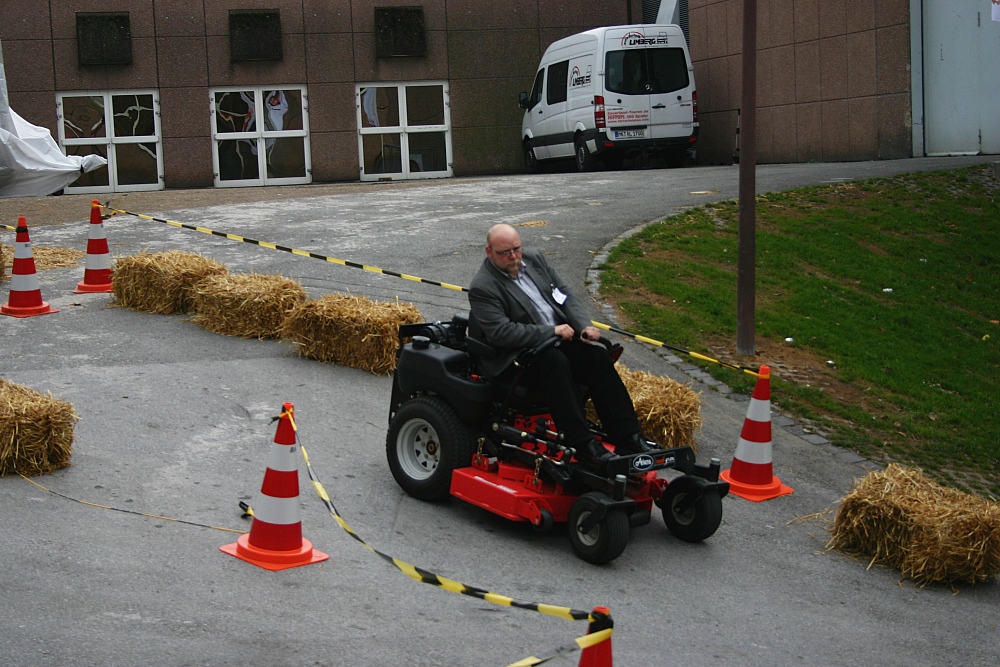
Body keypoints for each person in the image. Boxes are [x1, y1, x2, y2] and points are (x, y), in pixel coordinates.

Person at [468, 223, 657, 469]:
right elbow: (502, 333)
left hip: (556, 341)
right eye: (505, 253)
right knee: (554, 363)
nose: (513, 257)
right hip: (515, 356)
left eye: (517, 249)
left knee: (596, 354)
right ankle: (583, 444)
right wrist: (552, 331)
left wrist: (584, 326)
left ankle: (629, 436)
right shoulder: (483, 286)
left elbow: (564, 295)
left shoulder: (534, 259)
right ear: (489, 252)